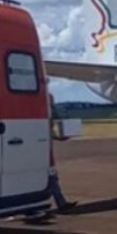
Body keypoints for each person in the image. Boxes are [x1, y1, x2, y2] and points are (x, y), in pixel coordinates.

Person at [28, 94, 77, 223]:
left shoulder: (44, 117)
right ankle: (34, 208)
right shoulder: (39, 116)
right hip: (38, 153)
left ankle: (60, 203)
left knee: (51, 178)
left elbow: (50, 134)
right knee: (48, 178)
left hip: (45, 152)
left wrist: (62, 137)